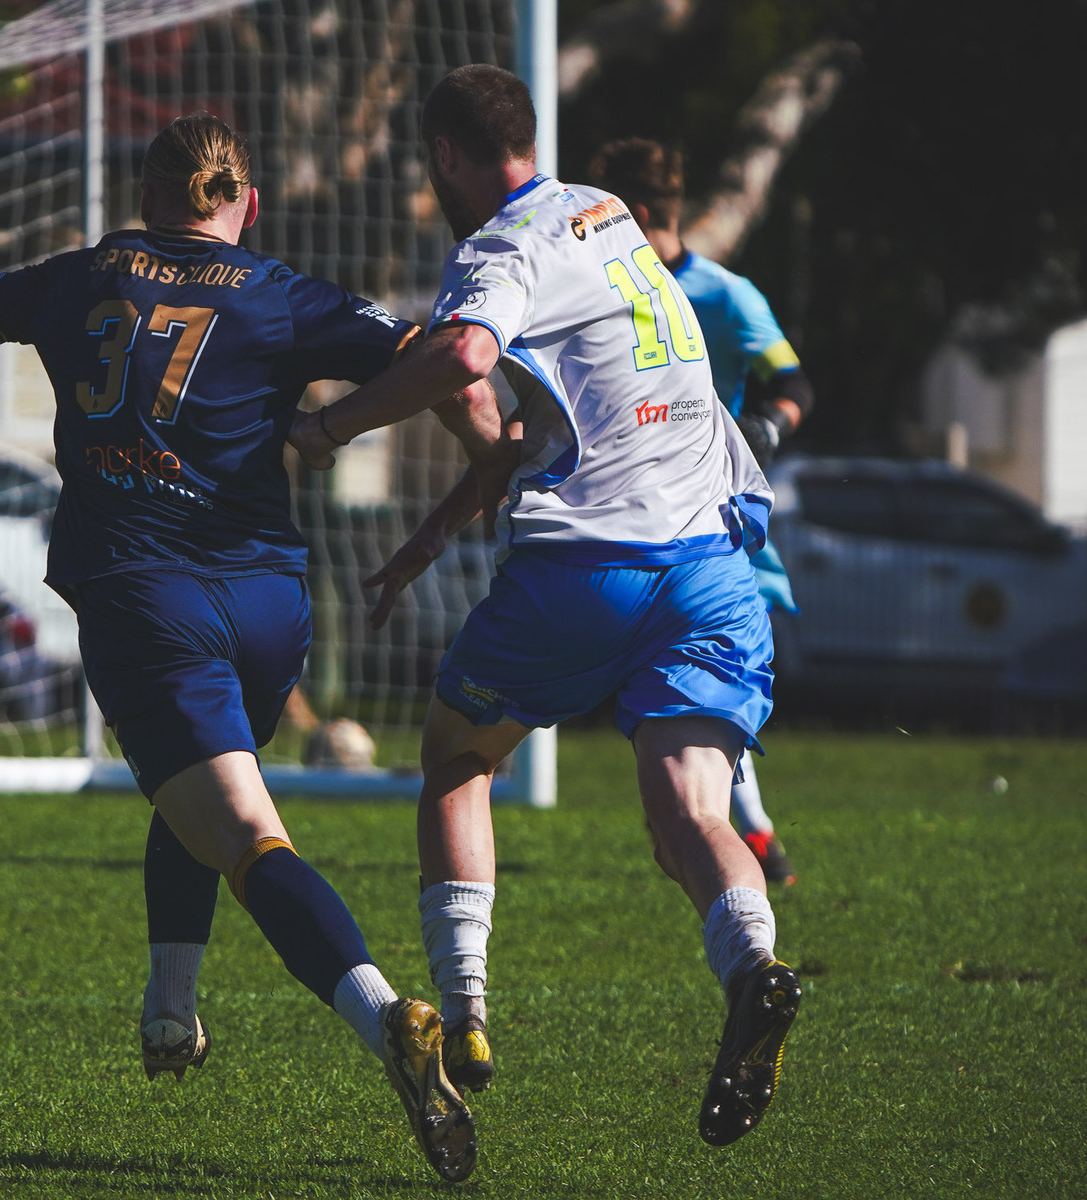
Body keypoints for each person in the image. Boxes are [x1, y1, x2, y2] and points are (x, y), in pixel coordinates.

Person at [0, 113, 483, 1183]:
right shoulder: (281, 291)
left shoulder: (77, 276)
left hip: (142, 601)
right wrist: (479, 450)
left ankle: (384, 1014)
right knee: (199, 795)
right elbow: (445, 361)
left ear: (144, 195)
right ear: (244, 203)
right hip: (266, 603)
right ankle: (169, 1010)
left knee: (248, 835)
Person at [290, 66, 801, 1147]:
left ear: (439, 158)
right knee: (690, 813)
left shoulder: (499, 246)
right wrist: (432, 533)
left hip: (591, 567)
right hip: (711, 559)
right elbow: (554, 422)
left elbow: (466, 356)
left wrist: (328, 429)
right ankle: (752, 966)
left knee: (457, 762)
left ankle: (465, 1011)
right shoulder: (605, 214)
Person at [590, 137, 816, 886]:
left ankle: (743, 833)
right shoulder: (597, 290)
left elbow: (792, 384)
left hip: (713, 520)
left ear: (639, 212)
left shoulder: (725, 294)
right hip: (622, 518)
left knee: (706, 683)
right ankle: (733, 833)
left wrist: (765, 428)